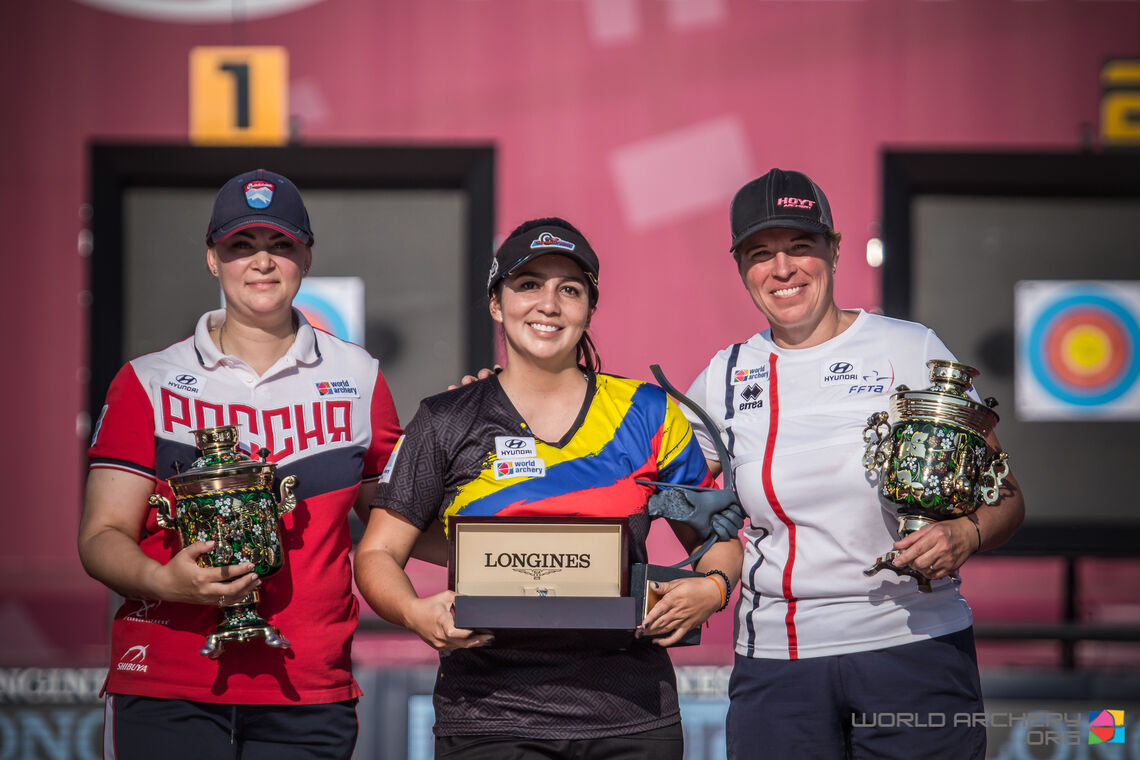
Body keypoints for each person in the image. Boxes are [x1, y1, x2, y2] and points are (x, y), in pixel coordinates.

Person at [353, 218, 744, 760]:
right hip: (488, 719)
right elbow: (376, 553)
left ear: (589, 308)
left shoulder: (648, 413)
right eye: (528, 284)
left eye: (570, 289)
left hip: (631, 718)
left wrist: (714, 588)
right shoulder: (444, 420)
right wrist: (415, 612)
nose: (549, 304)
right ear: (496, 303)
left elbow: (715, 540)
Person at [683, 169, 1026, 760]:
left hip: (914, 652)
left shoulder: (908, 348)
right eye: (761, 254)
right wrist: (501, 398)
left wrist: (964, 533)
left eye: (801, 247)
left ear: (834, 250)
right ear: (741, 267)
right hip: (778, 670)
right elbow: (654, 479)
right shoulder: (724, 375)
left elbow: (1008, 496)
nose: (782, 269)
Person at [78, 169, 402, 760]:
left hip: (306, 685)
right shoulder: (145, 381)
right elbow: (101, 536)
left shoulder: (359, 378)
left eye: (281, 245)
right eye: (241, 246)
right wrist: (164, 580)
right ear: (212, 258)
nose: (262, 262)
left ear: (306, 256)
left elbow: (397, 522)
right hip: (166, 679)